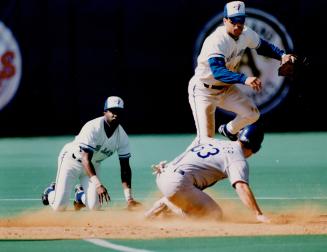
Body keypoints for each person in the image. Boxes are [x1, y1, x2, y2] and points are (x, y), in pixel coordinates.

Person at [188, 1, 296, 145]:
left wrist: (282, 55)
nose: (238, 25)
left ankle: (229, 130)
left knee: (252, 114)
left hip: (226, 89)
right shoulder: (216, 40)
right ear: (225, 20)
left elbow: (263, 47)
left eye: (241, 20)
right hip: (204, 91)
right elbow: (218, 72)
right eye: (233, 21)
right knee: (205, 141)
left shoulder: (245, 33)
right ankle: (172, 167)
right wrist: (244, 79)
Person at [144, 123, 270, 223]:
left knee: (196, 192)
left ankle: (160, 209)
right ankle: (169, 205)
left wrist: (170, 166)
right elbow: (241, 186)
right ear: (255, 148)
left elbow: (191, 153)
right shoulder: (237, 159)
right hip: (177, 183)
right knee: (213, 216)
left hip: (164, 172)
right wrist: (258, 214)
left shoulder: (217, 142)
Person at [41, 96, 141, 211]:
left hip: (92, 166)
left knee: (94, 207)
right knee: (60, 207)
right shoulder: (93, 127)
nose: (115, 114)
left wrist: (129, 199)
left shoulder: (122, 137)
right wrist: (98, 185)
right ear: (105, 112)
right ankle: (51, 192)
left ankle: (79, 196)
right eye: (112, 111)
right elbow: (85, 159)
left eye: (119, 111)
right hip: (71, 161)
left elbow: (125, 168)